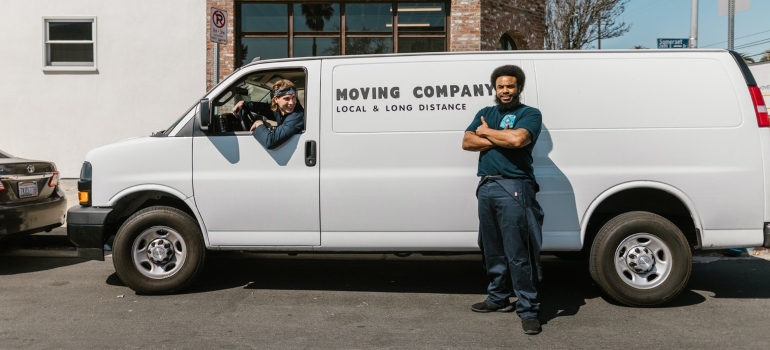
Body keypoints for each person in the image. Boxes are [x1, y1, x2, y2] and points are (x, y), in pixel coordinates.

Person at [462, 65, 545, 335]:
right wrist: (500, 138)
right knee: (491, 248)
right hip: (487, 185)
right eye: (500, 86)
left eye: (510, 86)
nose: (505, 91)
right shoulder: (486, 113)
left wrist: (485, 133)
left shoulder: (529, 114)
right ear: (495, 88)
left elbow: (518, 140)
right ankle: (497, 298)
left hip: (515, 187)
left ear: (518, 87)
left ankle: (528, 309)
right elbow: (466, 141)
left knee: (518, 251)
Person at [232, 79, 305, 150]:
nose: (292, 102)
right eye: (287, 99)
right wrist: (244, 103)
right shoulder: (282, 111)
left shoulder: (297, 115)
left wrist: (259, 124)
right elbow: (264, 108)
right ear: (276, 99)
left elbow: (270, 141)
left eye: (293, 97)